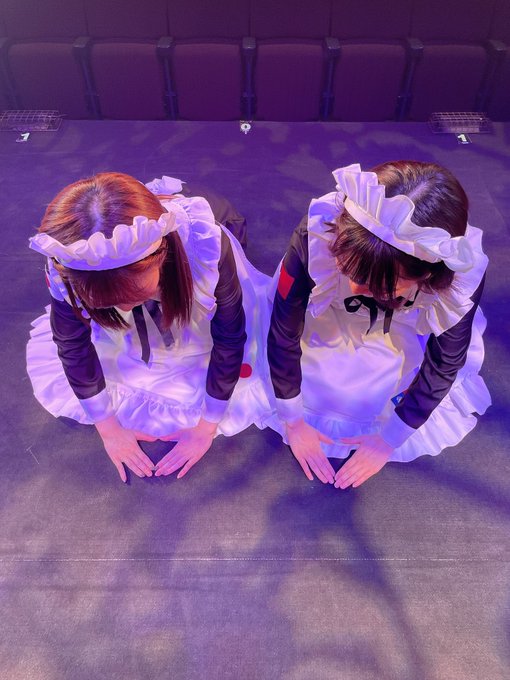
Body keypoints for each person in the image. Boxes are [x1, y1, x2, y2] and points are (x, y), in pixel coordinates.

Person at [27, 173, 271, 482]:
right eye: (109, 303)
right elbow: (72, 344)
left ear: (161, 257)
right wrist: (108, 429)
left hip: (223, 218)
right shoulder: (69, 262)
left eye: (135, 296)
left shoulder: (206, 244)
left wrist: (206, 427)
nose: (125, 309)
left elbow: (230, 338)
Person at [267, 161, 491, 488]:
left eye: (380, 286)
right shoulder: (317, 232)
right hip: (326, 323)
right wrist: (293, 420)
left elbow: (444, 364)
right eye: (348, 269)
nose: (354, 287)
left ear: (427, 277)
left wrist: (389, 440)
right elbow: (284, 329)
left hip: (404, 329)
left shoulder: (460, 275)